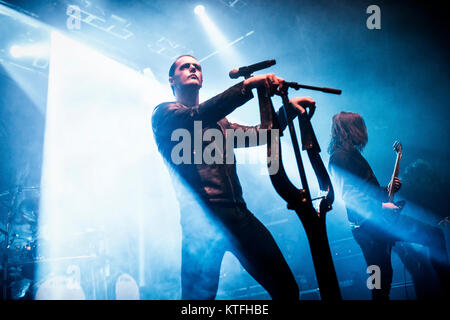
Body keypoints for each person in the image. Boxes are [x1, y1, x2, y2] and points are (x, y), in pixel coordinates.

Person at [151, 55, 315, 299]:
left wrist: (287, 111)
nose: (193, 69)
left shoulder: (219, 122)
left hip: (239, 215)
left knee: (287, 289)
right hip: (202, 221)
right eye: (185, 66)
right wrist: (247, 86)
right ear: (171, 80)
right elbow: (196, 116)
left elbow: (260, 135)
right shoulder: (164, 114)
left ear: (203, 79)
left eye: (197, 66)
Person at [327, 111, 450, 300]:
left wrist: (388, 189)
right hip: (370, 227)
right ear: (349, 129)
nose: (364, 132)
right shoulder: (340, 157)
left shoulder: (350, 155)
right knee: (380, 280)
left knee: (382, 281)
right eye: (360, 126)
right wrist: (382, 207)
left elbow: (367, 192)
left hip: (374, 224)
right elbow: (350, 196)